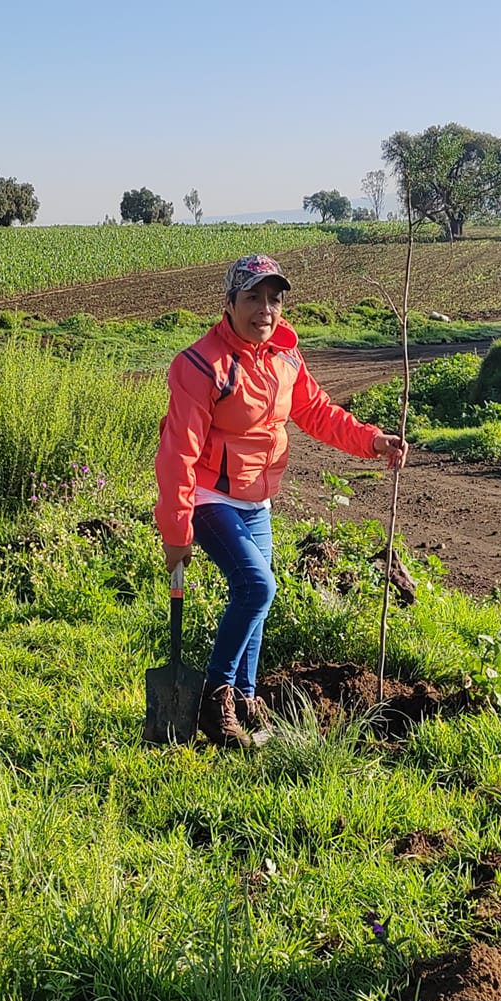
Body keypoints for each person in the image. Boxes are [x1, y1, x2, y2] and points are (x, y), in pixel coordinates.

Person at [155, 254, 407, 747]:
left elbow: (317, 412)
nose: (265, 310)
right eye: (252, 297)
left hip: (258, 499)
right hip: (210, 496)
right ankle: (215, 697)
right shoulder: (200, 364)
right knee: (256, 587)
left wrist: (372, 440)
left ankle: (246, 700)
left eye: (273, 298)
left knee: (256, 601)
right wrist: (176, 531)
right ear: (228, 303)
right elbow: (177, 453)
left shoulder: (285, 356)